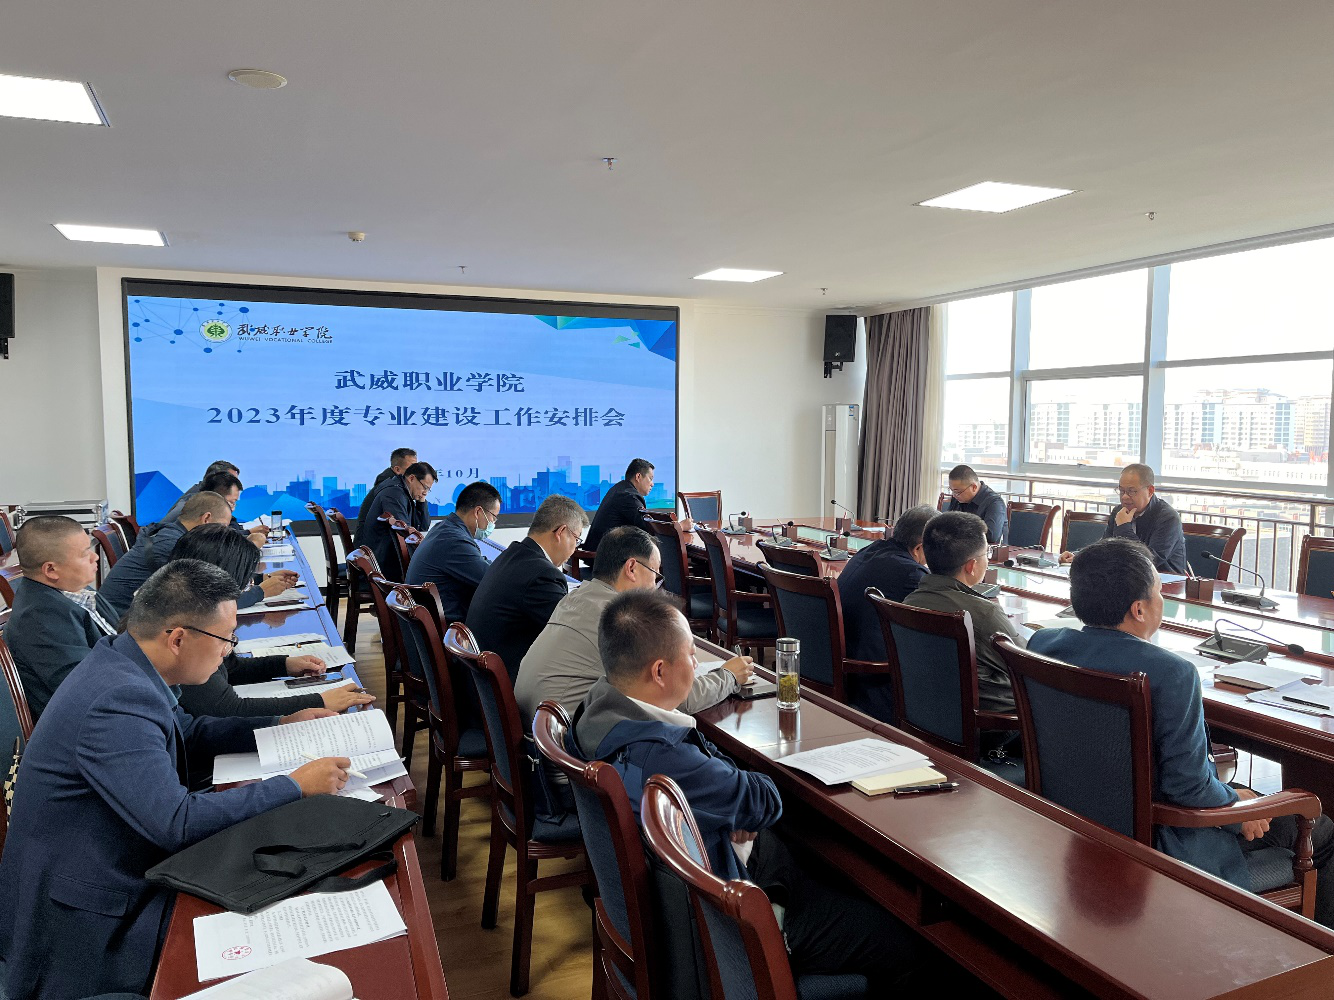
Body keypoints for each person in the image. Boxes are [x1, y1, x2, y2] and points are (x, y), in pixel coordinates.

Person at [0, 559, 351, 1000]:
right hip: (90, 923)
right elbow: (177, 823)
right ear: (179, 638)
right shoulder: (117, 700)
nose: (228, 651)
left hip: (117, 872)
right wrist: (295, 785)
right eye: (227, 638)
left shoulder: (125, 662)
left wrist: (281, 722)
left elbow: (187, 732)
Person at [570, 590, 925, 990]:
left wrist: (722, 803)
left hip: (702, 889)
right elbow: (762, 799)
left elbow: (734, 794)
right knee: (905, 944)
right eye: (691, 654)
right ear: (659, 672)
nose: (696, 665)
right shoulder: (661, 759)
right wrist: (731, 798)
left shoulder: (596, 711)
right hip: (737, 921)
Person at [1029, 538, 1334, 926]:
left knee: (1249, 797)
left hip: (1076, 818)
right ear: (1139, 609)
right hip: (1165, 843)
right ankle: (1315, 953)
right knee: (1319, 823)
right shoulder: (1172, 673)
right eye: (1159, 592)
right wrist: (1235, 809)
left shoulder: (1045, 643)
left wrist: (1231, 796)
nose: (1162, 600)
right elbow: (1187, 790)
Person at [516, 525, 753, 724]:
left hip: (537, 732)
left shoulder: (576, 597)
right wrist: (729, 676)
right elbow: (677, 696)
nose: (655, 587)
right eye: (655, 575)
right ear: (631, 568)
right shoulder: (618, 619)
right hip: (568, 747)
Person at [169, 524, 376, 719]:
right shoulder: (188, 629)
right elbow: (226, 708)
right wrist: (319, 702)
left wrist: (284, 665)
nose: (242, 594)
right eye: (244, 586)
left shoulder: (190, 607)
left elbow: (229, 668)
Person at [903, 511, 1021, 716]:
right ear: (971, 566)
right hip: (991, 723)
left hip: (927, 714)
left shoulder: (909, 602)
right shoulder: (984, 613)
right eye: (986, 554)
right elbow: (1026, 666)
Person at [5, 515, 118, 722]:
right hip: (93, 723)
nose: (95, 557)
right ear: (51, 569)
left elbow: (121, 636)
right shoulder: (40, 618)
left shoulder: (78, 590)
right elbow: (88, 689)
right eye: (85, 554)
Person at [465, 495, 586, 680]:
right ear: (561, 532)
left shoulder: (513, 554)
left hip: (481, 679)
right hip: (505, 683)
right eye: (576, 540)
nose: (574, 549)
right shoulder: (542, 575)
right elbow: (573, 634)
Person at [835, 504, 935, 724]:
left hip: (839, 663)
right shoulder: (912, 573)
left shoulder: (869, 549)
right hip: (872, 681)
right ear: (919, 548)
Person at [99, 490, 233, 617]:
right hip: (120, 623)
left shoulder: (171, 534)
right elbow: (203, 596)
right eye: (222, 527)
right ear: (206, 518)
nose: (222, 534)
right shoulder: (173, 545)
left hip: (130, 616)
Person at [1059, 463, 1187, 574]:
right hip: (1127, 579)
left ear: (1150, 491)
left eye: (1131, 491)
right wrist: (1078, 556)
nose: (1125, 497)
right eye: (1121, 491)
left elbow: (1149, 560)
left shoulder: (1168, 518)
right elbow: (1105, 546)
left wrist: (1124, 527)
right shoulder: (1119, 511)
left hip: (1166, 584)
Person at [406, 480, 501, 624]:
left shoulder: (445, 528)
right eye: (493, 517)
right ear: (478, 512)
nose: (493, 524)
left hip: (434, 621)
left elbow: (480, 564)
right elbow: (492, 581)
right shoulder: (454, 541)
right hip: (450, 629)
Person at [352, 460, 436, 577]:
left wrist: (421, 500)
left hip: (384, 559)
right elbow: (405, 534)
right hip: (381, 566)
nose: (425, 492)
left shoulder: (402, 491)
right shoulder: (394, 494)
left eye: (428, 489)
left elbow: (422, 527)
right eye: (425, 487)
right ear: (412, 478)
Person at [585, 458, 690, 550]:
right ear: (638, 476)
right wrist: (679, 526)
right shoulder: (628, 496)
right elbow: (648, 529)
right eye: (650, 478)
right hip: (604, 557)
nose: (652, 484)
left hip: (603, 551)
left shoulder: (621, 489)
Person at [944, 464, 1007, 545]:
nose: (954, 495)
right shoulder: (957, 498)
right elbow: (947, 525)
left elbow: (990, 536)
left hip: (985, 550)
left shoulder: (994, 503)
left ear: (974, 487)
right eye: (951, 490)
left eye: (957, 492)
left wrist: (958, 530)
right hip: (959, 547)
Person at [361, 447, 418, 513]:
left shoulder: (394, 484)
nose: (417, 472)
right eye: (412, 468)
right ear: (397, 470)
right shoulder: (391, 488)